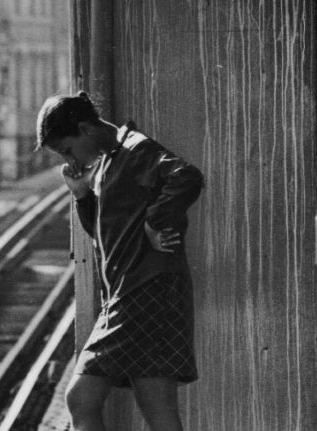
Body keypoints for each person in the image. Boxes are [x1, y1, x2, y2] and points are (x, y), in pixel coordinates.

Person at [35, 92, 203, 431]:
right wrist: (83, 195)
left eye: (68, 149)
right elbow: (104, 233)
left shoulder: (136, 151)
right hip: (142, 290)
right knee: (155, 402)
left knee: (81, 400)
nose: (71, 159)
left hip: (143, 289)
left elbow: (187, 176)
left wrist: (156, 221)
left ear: (85, 129)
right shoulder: (110, 160)